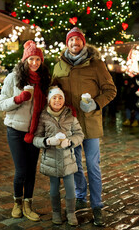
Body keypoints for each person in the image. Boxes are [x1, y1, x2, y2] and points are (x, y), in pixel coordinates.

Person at [52, 27, 117, 226]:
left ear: (83, 42)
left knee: (93, 165)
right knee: (76, 166)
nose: (74, 44)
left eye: (78, 40)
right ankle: (81, 197)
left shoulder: (96, 64)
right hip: (70, 125)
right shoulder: (59, 66)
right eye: (71, 40)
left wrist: (96, 103)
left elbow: (110, 90)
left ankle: (97, 206)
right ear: (67, 43)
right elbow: (53, 90)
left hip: (90, 124)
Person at [0, 40, 50, 221]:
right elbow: (0, 104)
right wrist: (18, 99)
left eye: (37, 59)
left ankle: (28, 204)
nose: (34, 63)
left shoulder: (43, 80)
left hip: (34, 131)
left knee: (31, 170)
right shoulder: (13, 78)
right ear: (24, 60)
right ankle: (17, 202)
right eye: (31, 59)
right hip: (15, 130)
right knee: (21, 170)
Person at [33, 86, 84, 226]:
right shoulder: (43, 117)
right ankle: (56, 212)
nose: (57, 100)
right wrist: (47, 141)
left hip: (68, 159)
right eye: (54, 98)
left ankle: (71, 212)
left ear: (64, 100)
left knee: (70, 188)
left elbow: (80, 134)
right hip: (51, 159)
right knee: (54, 188)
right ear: (49, 101)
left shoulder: (70, 117)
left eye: (60, 98)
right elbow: (36, 138)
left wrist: (70, 141)